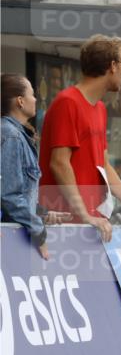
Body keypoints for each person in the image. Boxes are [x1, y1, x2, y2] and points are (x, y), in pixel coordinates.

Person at [38, 34, 121, 240]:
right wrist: (83, 214)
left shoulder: (100, 108)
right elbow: (59, 164)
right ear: (112, 66)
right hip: (64, 226)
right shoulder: (68, 102)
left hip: (91, 224)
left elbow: (103, 164)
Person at [1, 74, 58, 258]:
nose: (35, 99)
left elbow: (17, 192)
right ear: (20, 101)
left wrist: (42, 213)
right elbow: (9, 195)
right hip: (10, 242)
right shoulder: (11, 136)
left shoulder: (15, 135)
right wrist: (38, 231)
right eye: (32, 94)